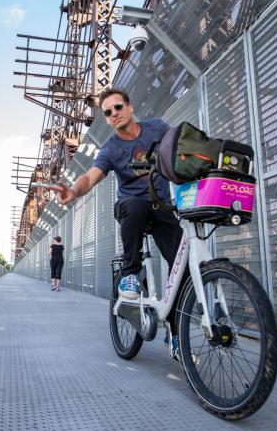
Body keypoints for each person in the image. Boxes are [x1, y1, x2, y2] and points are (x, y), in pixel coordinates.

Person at [49, 87, 181, 302]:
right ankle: (130, 274)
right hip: (130, 207)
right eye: (108, 112)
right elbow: (91, 177)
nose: (114, 113)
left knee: (180, 264)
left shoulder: (157, 128)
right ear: (107, 120)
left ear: (129, 107)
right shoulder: (110, 149)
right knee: (137, 206)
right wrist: (73, 190)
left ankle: (175, 330)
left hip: (160, 206)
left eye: (118, 107)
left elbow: (179, 147)